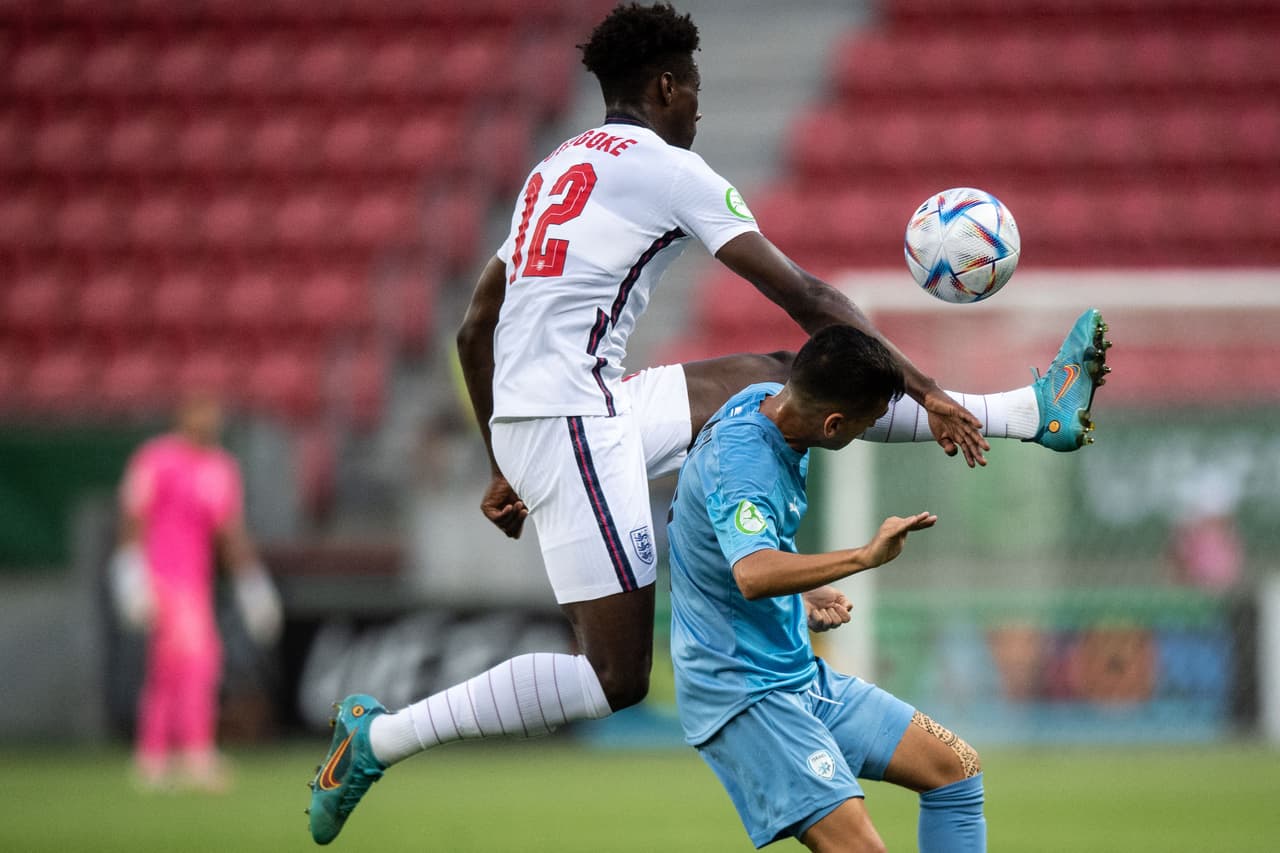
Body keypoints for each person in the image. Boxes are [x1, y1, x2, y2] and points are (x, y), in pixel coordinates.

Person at [306, 3, 1108, 842]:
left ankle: (1027, 412)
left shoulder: (554, 167)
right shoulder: (666, 168)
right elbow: (811, 298)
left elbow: (475, 325)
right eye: (693, 90)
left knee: (782, 381)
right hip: (572, 421)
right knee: (615, 675)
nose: (700, 109)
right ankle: (378, 737)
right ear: (664, 85)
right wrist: (928, 386)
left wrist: (500, 460)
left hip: (575, 406)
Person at [667, 324, 982, 852]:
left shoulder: (765, 401)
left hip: (796, 676)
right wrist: (862, 557)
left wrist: (801, 589)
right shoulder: (745, 463)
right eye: (867, 421)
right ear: (834, 424)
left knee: (956, 768)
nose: (870, 427)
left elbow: (736, 544)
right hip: (745, 695)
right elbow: (752, 573)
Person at [110, 392, 282, 791]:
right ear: (183, 414)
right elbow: (133, 517)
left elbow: (230, 534)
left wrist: (252, 584)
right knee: (196, 661)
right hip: (161, 576)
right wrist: (130, 575)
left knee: (176, 666)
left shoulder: (221, 468)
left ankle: (156, 755)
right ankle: (190, 752)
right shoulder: (155, 458)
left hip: (196, 580)